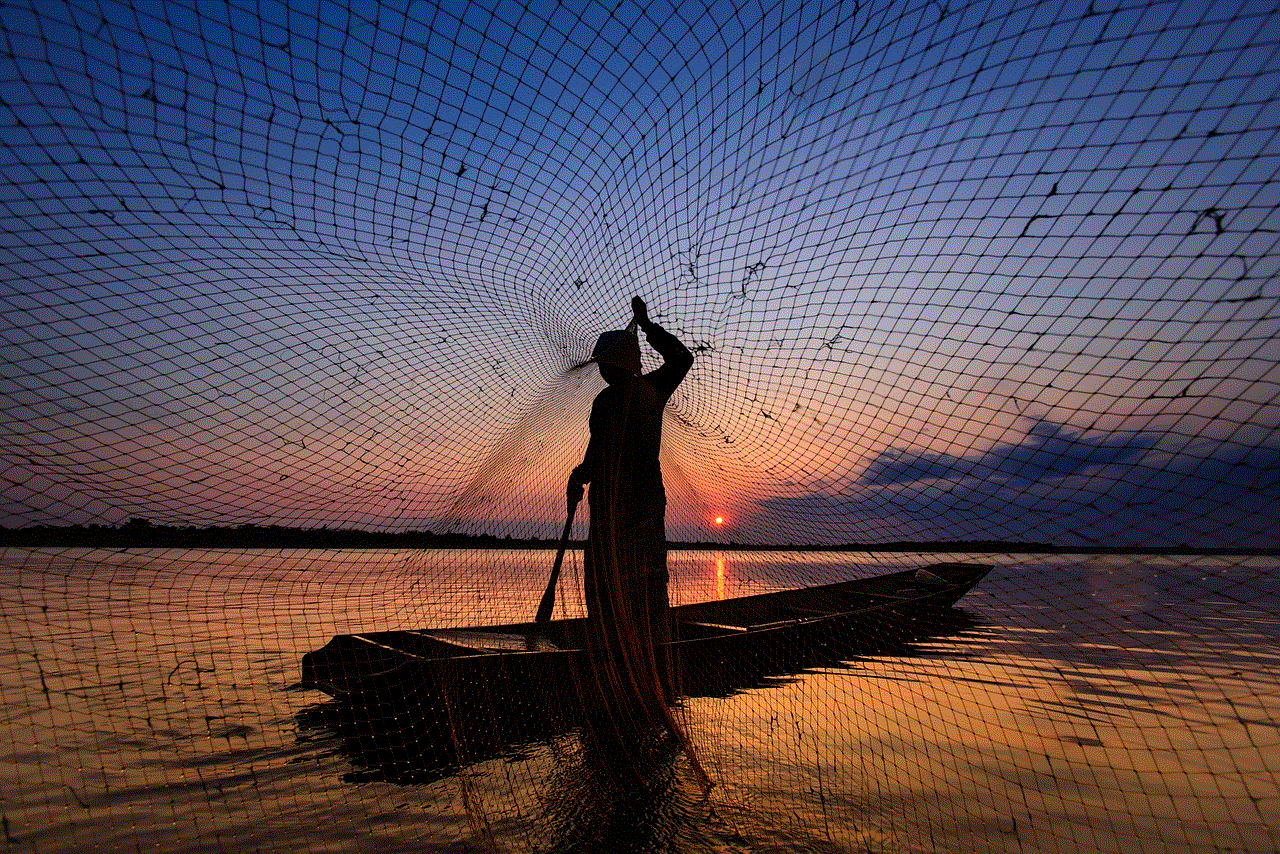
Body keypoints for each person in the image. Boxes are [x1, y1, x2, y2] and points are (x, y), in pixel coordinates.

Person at [567, 296, 692, 703]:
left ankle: (649, 655)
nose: (601, 369)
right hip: (609, 503)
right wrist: (579, 475)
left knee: (644, 578)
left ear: (616, 364)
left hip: (637, 504)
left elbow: (681, 358)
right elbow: (596, 451)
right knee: (608, 581)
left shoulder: (648, 389)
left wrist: (647, 325)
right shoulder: (607, 401)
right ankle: (612, 652)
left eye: (606, 363)